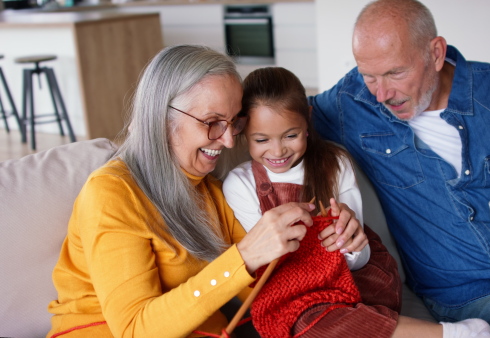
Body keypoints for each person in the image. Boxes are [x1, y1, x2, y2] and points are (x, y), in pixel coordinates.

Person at [309, 0, 490, 336]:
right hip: (473, 290)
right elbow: (279, 112)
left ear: (435, 52)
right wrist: (233, 116)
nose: (381, 94)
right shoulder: (352, 102)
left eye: (395, 72)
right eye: (369, 76)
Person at [46, 45, 319, 338]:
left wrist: (332, 243)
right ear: (162, 117)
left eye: (234, 122)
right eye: (213, 122)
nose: (228, 141)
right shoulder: (111, 193)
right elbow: (135, 329)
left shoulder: (211, 191)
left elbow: (266, 287)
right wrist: (245, 255)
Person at [223, 66, 490, 338]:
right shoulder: (240, 184)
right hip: (297, 293)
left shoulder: (336, 163)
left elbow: (358, 255)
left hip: (358, 278)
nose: (278, 150)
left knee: (312, 324)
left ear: (308, 119)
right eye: (261, 140)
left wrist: (348, 243)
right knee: (306, 321)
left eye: (290, 135)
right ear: (242, 130)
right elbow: (271, 266)